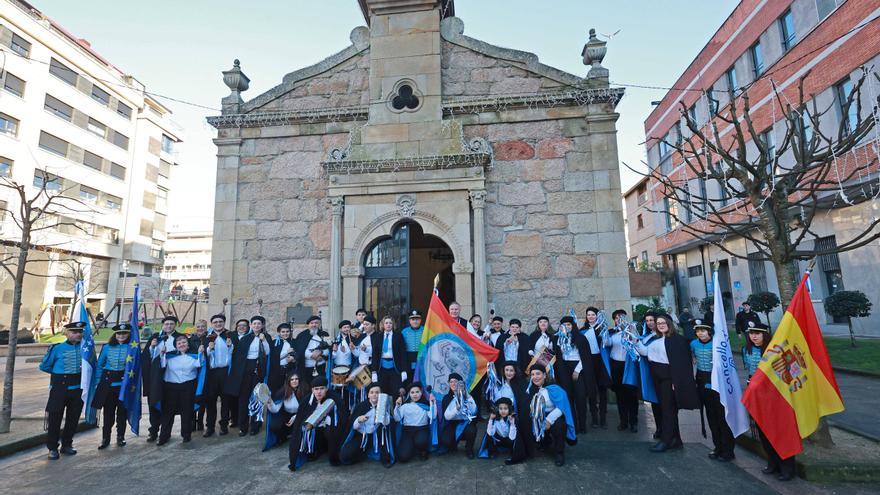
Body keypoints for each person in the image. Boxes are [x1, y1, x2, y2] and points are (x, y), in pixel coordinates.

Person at [636, 314, 700, 453]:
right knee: (667, 409)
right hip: (658, 378)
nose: (660, 325)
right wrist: (634, 339)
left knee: (668, 410)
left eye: (663, 322)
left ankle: (666, 440)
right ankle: (676, 440)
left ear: (669, 323)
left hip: (669, 379)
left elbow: (682, 364)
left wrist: (676, 381)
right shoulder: (657, 340)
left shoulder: (678, 340)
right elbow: (645, 352)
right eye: (658, 323)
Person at [741, 321, 794, 481]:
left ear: (765, 334)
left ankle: (787, 468)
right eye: (751, 333)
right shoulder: (746, 350)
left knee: (779, 431)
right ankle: (772, 463)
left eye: (758, 333)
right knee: (763, 432)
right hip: (755, 394)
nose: (754, 336)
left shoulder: (775, 350)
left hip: (774, 395)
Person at [690, 320, 736, 462]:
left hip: (717, 380)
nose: (700, 333)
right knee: (711, 416)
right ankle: (718, 447)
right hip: (702, 379)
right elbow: (693, 359)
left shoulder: (717, 344)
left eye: (703, 330)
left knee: (722, 417)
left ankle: (728, 450)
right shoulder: (693, 344)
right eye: (698, 330)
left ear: (709, 331)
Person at [40, 321, 85, 460]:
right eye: (74, 332)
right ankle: (53, 448)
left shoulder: (85, 348)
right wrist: (58, 375)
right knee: (55, 419)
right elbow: (45, 366)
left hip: (77, 389)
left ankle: (67, 444)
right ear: (66, 333)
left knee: (73, 419)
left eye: (80, 332)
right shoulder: (57, 348)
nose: (77, 334)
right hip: (60, 388)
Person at [287, 376, 347, 471]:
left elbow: (342, 417)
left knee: (330, 431)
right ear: (312, 390)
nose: (319, 392)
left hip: (330, 429)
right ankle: (313, 451)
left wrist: (327, 418)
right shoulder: (307, 400)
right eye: (316, 389)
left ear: (326, 389)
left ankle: (332, 454)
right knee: (305, 429)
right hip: (314, 431)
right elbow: (301, 418)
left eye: (322, 389)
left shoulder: (335, 398)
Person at [154, 334, 204, 445]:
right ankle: (164, 436)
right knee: (168, 413)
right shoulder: (169, 356)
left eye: (184, 342)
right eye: (179, 343)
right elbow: (161, 365)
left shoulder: (194, 357)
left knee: (186, 412)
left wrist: (201, 353)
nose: (182, 344)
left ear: (188, 345)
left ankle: (186, 435)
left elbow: (201, 364)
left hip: (187, 387)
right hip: (170, 388)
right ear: (176, 346)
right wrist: (162, 354)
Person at [225, 315, 270, 436]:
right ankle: (243, 426)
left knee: (257, 398)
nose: (256, 326)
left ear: (262, 326)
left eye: (259, 324)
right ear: (251, 325)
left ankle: (255, 425)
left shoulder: (266, 337)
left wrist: (264, 340)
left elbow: (268, 352)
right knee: (243, 399)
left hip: (258, 370)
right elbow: (238, 356)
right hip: (245, 371)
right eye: (254, 324)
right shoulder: (245, 338)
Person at [525, 364, 577, 466]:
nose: (535, 377)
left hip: (554, 415)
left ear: (544, 375)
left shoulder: (554, 388)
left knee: (559, 425)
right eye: (533, 374)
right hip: (537, 417)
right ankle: (543, 442)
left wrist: (549, 420)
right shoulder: (529, 389)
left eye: (538, 374)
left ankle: (559, 453)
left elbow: (562, 407)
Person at [142, 315, 183, 442]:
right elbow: (146, 357)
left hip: (171, 377)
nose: (169, 326)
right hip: (155, 378)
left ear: (175, 325)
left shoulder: (180, 338)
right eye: (166, 324)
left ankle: (165, 433)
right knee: (153, 404)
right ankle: (153, 430)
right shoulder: (155, 337)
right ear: (163, 325)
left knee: (168, 406)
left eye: (171, 324)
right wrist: (152, 347)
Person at [553, 316, 595, 434]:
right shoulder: (557, 339)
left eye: (569, 325)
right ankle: (573, 425)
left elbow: (586, 357)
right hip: (563, 369)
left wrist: (577, 370)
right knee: (568, 397)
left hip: (578, 368)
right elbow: (553, 354)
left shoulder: (580, 338)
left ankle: (582, 425)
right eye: (564, 325)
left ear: (573, 326)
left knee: (580, 397)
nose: (567, 327)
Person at [93, 323, 132, 449]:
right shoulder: (107, 347)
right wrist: (99, 381)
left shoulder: (132, 347)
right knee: (108, 413)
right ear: (115, 334)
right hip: (108, 385)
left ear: (128, 335)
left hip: (124, 386)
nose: (121, 335)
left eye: (124, 333)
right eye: (119, 333)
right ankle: (105, 438)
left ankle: (121, 437)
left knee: (122, 413)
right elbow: (100, 365)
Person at [339, 383, 395, 467]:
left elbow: (388, 423)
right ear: (368, 395)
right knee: (345, 456)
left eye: (377, 392)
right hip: (362, 436)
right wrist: (358, 420)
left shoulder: (385, 405)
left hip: (379, 435)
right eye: (372, 392)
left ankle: (383, 457)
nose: (374, 395)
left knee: (386, 456)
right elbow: (353, 427)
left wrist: (383, 417)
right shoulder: (361, 406)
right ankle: (362, 454)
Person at [605, 310, 639, 433]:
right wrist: (604, 331)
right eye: (617, 318)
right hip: (616, 365)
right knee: (620, 395)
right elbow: (606, 344)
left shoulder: (632, 331)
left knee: (631, 395)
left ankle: (633, 422)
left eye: (621, 317)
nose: (619, 320)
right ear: (614, 320)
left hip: (628, 366)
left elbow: (636, 344)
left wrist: (631, 332)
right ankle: (623, 421)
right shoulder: (612, 333)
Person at [264, 372, 309, 448]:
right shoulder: (283, 392)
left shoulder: (305, 391)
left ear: (299, 380)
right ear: (288, 381)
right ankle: (283, 437)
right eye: (292, 379)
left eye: (296, 379)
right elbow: (275, 410)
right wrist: (270, 402)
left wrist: (296, 417)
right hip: (286, 415)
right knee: (274, 425)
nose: (294, 381)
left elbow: (307, 409)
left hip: (300, 416)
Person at [583, 308, 611, 429]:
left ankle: (603, 418)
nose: (590, 316)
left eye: (593, 314)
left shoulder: (602, 329)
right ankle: (594, 418)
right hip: (589, 362)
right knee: (591, 391)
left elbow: (608, 344)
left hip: (601, 361)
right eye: (588, 315)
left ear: (596, 316)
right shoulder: (582, 331)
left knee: (602, 390)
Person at [203, 313, 230, 436]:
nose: (218, 324)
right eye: (215, 322)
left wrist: (231, 346)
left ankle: (224, 426)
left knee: (225, 401)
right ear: (212, 324)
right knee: (210, 402)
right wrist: (209, 349)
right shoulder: (206, 337)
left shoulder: (230, 335)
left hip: (225, 372)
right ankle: (210, 427)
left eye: (220, 322)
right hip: (211, 374)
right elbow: (202, 356)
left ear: (224, 323)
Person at [393, 382, 435, 462]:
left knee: (420, 441)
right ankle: (411, 448)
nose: (415, 394)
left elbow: (433, 416)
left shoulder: (425, 405)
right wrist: (397, 406)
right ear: (409, 394)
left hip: (421, 429)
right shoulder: (405, 406)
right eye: (412, 392)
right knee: (403, 457)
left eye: (417, 392)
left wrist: (432, 403)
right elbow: (397, 419)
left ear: (421, 393)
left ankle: (423, 451)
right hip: (407, 431)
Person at [440, 373, 478, 458]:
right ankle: (452, 445)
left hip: (465, 424)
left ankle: (469, 449)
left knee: (472, 430)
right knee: (446, 440)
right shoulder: (446, 398)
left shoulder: (467, 396)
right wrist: (456, 409)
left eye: (456, 381)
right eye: (451, 382)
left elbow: (474, 411)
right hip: (451, 424)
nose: (453, 384)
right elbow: (447, 416)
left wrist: (467, 395)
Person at [478, 397, 526, 464]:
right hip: (499, 440)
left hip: (508, 440)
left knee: (515, 440)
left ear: (509, 409)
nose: (503, 411)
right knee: (490, 438)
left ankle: (513, 451)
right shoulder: (495, 418)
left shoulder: (512, 418)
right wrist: (491, 420)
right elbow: (490, 433)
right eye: (500, 408)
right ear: (498, 409)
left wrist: (512, 424)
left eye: (505, 408)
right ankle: (492, 452)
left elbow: (512, 438)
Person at [222, 318, 249, 431]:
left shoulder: (250, 337)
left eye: (244, 325)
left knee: (243, 398)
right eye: (239, 325)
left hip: (245, 370)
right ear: (236, 326)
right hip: (231, 370)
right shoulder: (230, 336)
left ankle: (243, 421)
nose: (241, 327)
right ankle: (233, 419)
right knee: (232, 397)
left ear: (248, 327)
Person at [371, 316, 408, 395]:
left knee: (395, 391)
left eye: (390, 323)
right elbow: (375, 355)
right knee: (382, 391)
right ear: (383, 325)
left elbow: (403, 354)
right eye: (386, 323)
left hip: (395, 368)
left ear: (393, 325)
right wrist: (373, 371)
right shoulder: (378, 337)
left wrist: (404, 370)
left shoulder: (398, 336)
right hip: (381, 368)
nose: (388, 325)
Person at [187, 319, 209, 432]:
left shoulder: (209, 339)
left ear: (206, 327)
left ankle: (200, 421)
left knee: (202, 397)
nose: (200, 328)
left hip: (205, 373)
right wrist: (197, 354)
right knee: (192, 396)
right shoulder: (190, 340)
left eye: (203, 326)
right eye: (198, 326)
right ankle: (192, 421)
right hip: (193, 372)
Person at [295, 315, 330, 383]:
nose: (314, 325)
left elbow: (328, 349)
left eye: (316, 323)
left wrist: (321, 353)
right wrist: (312, 355)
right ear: (308, 324)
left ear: (319, 324)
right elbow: (300, 350)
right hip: (306, 368)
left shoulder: (324, 334)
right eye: (312, 323)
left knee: (320, 385)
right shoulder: (301, 336)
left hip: (321, 366)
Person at [268, 323, 295, 392]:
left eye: (287, 331)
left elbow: (298, 355)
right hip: (277, 370)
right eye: (283, 332)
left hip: (289, 369)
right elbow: (273, 358)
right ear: (279, 333)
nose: (285, 334)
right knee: (277, 390)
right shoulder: (274, 343)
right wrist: (286, 353)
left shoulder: (293, 342)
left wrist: (293, 359)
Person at [400, 310, 424, 374]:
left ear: (420, 320)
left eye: (417, 319)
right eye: (413, 319)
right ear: (410, 321)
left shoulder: (425, 330)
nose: (415, 321)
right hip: (408, 359)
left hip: (422, 359)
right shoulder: (404, 332)